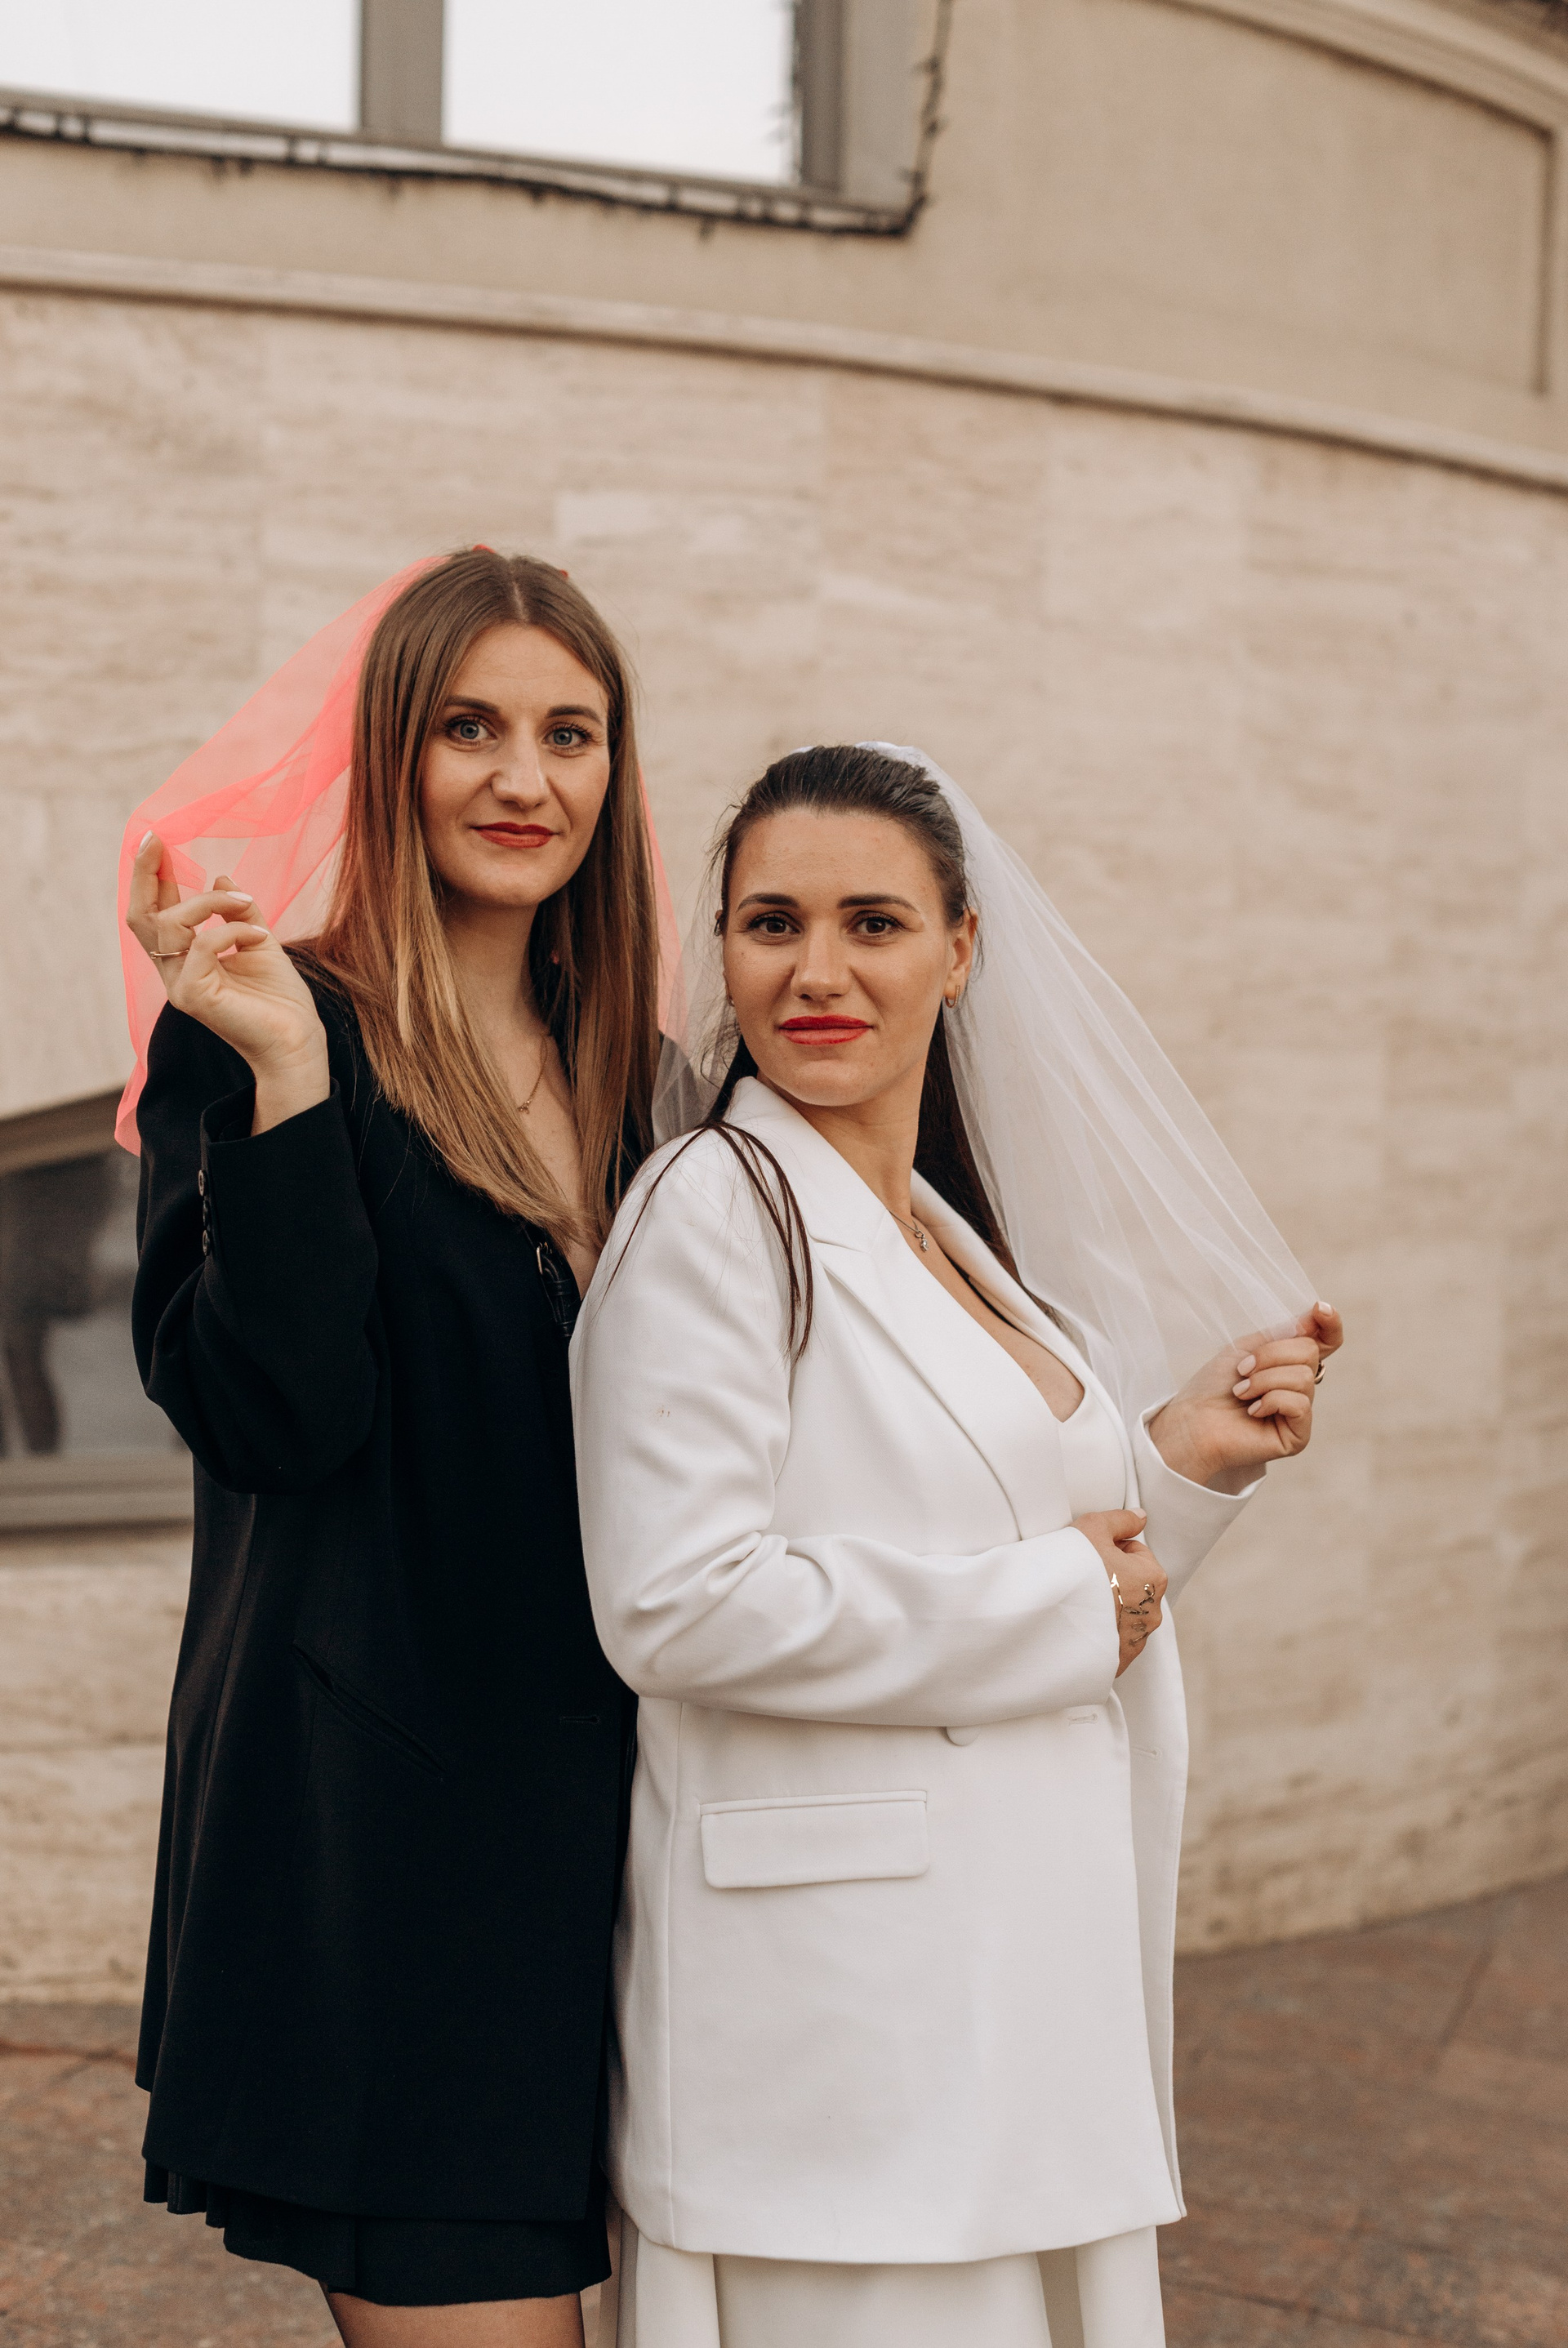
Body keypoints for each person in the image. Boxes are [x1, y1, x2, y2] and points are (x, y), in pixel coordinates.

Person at [569, 743, 1343, 2348]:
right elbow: (674, 1604)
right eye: (773, 923)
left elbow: (1035, 1558)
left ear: (961, 948)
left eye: (875, 922)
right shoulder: (711, 1209)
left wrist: (1181, 1459)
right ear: (724, 950)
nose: (819, 971)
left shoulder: (940, 1227)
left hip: (1022, 1982)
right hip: (846, 2017)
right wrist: (1060, 1600)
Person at [122, 550, 667, 2346]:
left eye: (569, 733)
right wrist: (289, 1080)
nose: (525, 778)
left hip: (640, 1825)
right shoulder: (271, 1030)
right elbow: (273, 1419)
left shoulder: (648, 1074)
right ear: (393, 754)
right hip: (398, 1835)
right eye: (470, 728)